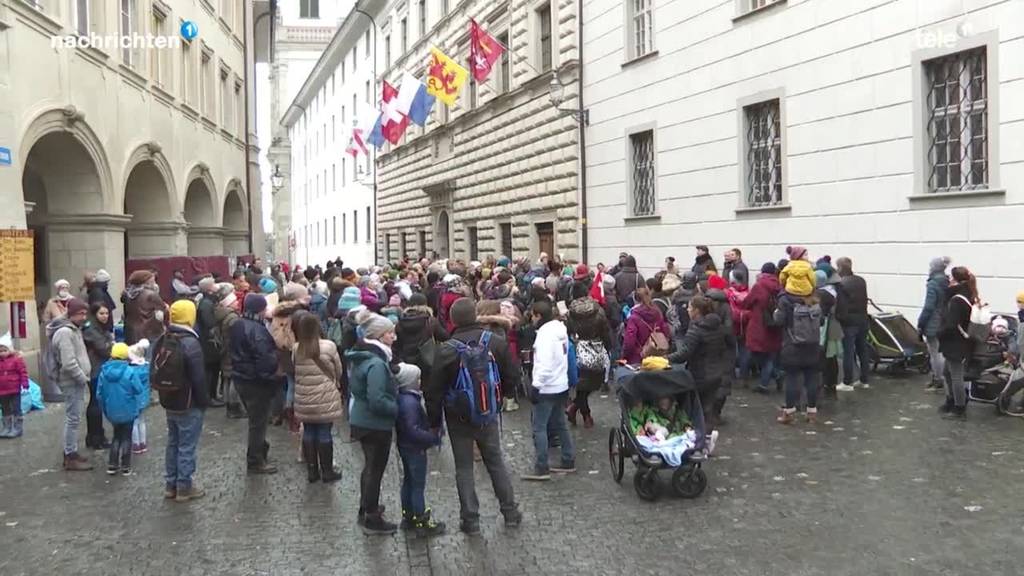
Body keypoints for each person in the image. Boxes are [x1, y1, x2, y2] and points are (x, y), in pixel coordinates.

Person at [426, 298, 522, 535]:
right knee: (495, 462)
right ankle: (510, 512)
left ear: (453, 320)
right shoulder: (496, 343)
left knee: (464, 468)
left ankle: (470, 520)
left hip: (458, 416)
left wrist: (435, 422)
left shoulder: (446, 349)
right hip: (487, 412)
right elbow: (513, 374)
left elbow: (433, 391)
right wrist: (501, 398)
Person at [346, 310, 401, 535]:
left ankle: (366, 507)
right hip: (374, 423)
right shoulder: (377, 363)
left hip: (362, 419)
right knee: (374, 470)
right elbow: (377, 399)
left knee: (369, 467)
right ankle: (371, 516)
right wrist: (397, 409)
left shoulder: (365, 356)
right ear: (379, 336)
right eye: (390, 334)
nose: (394, 337)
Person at [153, 300, 209, 502]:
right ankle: (184, 487)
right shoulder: (191, 342)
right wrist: (204, 401)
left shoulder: (164, 338)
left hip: (169, 399)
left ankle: (171, 485)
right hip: (189, 401)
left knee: (173, 443)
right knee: (187, 445)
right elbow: (199, 377)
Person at [667, 295, 733, 449]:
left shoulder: (696, 329)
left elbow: (685, 353)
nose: (688, 310)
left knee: (693, 408)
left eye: (690, 307)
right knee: (708, 408)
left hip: (699, 374)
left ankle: (696, 441)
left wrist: (665, 358)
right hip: (716, 373)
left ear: (697, 311)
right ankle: (707, 439)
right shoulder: (718, 326)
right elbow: (726, 347)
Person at [522, 300, 576, 481]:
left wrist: (536, 386)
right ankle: (568, 459)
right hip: (561, 383)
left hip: (547, 387)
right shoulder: (560, 330)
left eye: (533, 316)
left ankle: (542, 466)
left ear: (538, 315)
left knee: (539, 427)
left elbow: (544, 364)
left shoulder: (545, 335)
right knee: (560, 423)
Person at [230, 294, 282, 474]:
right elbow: (264, 359)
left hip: (241, 377)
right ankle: (255, 460)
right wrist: (272, 377)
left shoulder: (238, 323)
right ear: (260, 309)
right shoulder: (258, 331)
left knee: (256, 420)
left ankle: (261, 450)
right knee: (258, 423)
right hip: (255, 382)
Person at [291, 313, 344, 484]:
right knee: (324, 432)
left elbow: (294, 369)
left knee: (308, 431)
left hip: (304, 397)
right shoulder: (329, 346)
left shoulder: (296, 348)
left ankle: (312, 470)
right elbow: (338, 370)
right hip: (325, 397)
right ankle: (327, 471)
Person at [395, 363, 446, 537]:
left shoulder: (405, 398)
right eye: (417, 378)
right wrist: (432, 438)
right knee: (417, 484)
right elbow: (412, 429)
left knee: (408, 481)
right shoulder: (410, 402)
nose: (420, 381)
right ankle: (421, 519)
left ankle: (408, 515)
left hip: (406, 446)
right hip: (415, 448)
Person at [48, 298, 94, 471]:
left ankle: (72, 452)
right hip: (71, 381)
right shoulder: (65, 332)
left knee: (75, 417)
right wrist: (82, 377)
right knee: (73, 418)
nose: (83, 317)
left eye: (84, 313)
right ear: (71, 313)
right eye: (80, 313)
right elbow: (68, 362)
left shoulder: (74, 329)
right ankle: (69, 456)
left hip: (76, 380)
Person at [96, 343, 147, 476]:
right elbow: (138, 389)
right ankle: (125, 466)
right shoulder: (129, 372)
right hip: (128, 410)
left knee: (116, 436)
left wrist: (105, 408)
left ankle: (112, 465)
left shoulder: (103, 372)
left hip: (112, 411)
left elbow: (99, 394)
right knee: (126, 438)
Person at [774, 289, 824, 425]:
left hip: (792, 346)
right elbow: (821, 322)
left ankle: (789, 413)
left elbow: (778, 321)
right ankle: (812, 413)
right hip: (812, 347)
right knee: (811, 379)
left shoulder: (786, 301)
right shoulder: (814, 300)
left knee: (791, 379)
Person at [937, 267, 978, 420]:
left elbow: (951, 324)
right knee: (947, 372)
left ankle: (959, 408)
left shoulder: (956, 299)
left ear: (955, 280)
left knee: (955, 375)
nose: (948, 280)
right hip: (960, 342)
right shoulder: (969, 293)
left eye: (950, 278)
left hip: (955, 343)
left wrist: (938, 333)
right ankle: (951, 400)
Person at [566, 296, 610, 428]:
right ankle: (584, 414)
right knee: (596, 380)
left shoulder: (571, 314)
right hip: (596, 348)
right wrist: (608, 347)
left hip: (579, 348)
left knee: (582, 383)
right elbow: (605, 332)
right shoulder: (599, 313)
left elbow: (569, 331)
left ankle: (577, 409)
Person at [741, 263, 783, 394]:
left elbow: (746, 303)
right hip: (774, 325)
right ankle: (775, 375)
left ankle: (766, 382)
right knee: (769, 355)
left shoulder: (759, 286)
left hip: (759, 325)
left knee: (758, 354)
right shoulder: (780, 285)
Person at [835, 257, 871, 392]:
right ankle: (864, 380)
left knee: (848, 352)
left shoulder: (842, 283)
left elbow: (840, 304)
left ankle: (847, 382)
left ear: (839, 268)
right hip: (863, 319)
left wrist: (839, 317)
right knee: (863, 350)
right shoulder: (861, 281)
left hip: (849, 322)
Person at [81, 302, 113, 449]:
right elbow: (103, 349)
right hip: (94, 368)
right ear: (95, 314)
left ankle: (96, 435)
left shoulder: (99, 327)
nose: (105, 316)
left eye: (106, 313)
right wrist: (110, 343)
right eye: (102, 313)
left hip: (100, 367)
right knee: (95, 402)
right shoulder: (90, 328)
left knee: (96, 401)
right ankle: (95, 437)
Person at [918, 257, 951, 391]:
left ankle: (938, 380)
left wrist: (920, 323)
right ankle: (941, 378)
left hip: (933, 323)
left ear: (934, 268)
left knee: (935, 353)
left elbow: (928, 307)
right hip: (944, 321)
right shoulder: (947, 281)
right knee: (941, 353)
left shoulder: (933, 284)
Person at [213, 284, 246, 419]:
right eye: (235, 301)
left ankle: (229, 404)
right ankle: (234, 406)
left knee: (226, 378)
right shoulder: (232, 318)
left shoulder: (221, 314)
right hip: (232, 351)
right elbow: (237, 336)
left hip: (225, 351)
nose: (237, 303)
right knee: (233, 380)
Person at [195, 277, 225, 408]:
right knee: (210, 371)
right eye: (213, 285)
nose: (216, 286)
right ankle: (209, 397)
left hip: (209, 341)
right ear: (209, 288)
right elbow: (210, 323)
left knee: (213, 370)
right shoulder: (206, 304)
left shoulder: (208, 301)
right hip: (208, 342)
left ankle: (212, 395)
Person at [622, 287, 671, 365]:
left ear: (635, 300)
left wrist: (625, 356)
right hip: (657, 355)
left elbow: (629, 341)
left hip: (638, 357)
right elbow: (666, 331)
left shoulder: (634, 317)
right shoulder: (657, 312)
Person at [122, 270, 167, 345]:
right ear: (147, 281)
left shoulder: (127, 294)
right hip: (150, 332)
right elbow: (163, 310)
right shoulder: (151, 294)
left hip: (130, 331)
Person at [0, 332, 29, 439]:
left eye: (5, 350)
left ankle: (17, 428)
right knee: (5, 409)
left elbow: (23, 372)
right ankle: (7, 427)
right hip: (2, 391)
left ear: (10, 350)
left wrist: (25, 383)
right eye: (0, 351)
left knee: (16, 408)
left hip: (14, 389)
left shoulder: (16, 360)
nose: (2, 353)